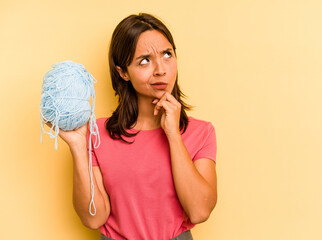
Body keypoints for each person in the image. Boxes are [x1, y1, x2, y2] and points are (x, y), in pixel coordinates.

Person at [55, 13, 217, 240]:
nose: (160, 69)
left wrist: (172, 134)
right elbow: (93, 218)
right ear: (123, 72)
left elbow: (199, 211)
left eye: (167, 55)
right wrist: (77, 146)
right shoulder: (97, 133)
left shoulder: (201, 132)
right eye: (144, 60)